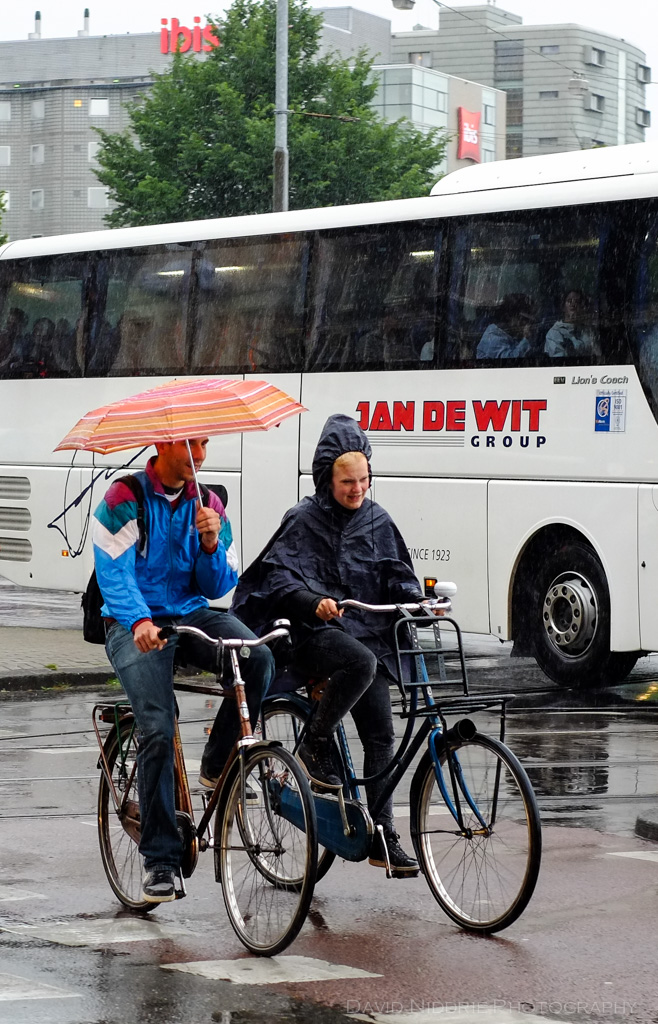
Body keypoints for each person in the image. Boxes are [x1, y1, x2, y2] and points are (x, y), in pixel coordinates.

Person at [232, 414, 432, 879]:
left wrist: (419, 600)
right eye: (347, 481)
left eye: (363, 479)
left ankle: (382, 835)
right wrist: (311, 601)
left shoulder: (378, 520)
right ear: (327, 478)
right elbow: (276, 575)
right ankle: (315, 742)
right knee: (359, 662)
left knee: (381, 736)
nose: (357, 488)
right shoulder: (303, 519)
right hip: (313, 637)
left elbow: (396, 574)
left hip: (367, 638)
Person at [92, 437, 274, 903]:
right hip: (133, 620)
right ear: (164, 444)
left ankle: (216, 765)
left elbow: (220, 583)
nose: (201, 453)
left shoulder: (209, 501)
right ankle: (160, 860)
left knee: (259, 657)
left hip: (190, 612)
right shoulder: (123, 499)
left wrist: (212, 542)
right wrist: (139, 622)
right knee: (157, 725)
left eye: (204, 443)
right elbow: (115, 574)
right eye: (191, 444)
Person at [476, 293, 535, 359]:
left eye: (530, 320)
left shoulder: (512, 335)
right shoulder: (493, 337)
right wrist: (526, 339)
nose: (527, 324)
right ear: (509, 316)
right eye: (524, 319)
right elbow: (510, 363)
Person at [544, 289, 596, 358]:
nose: (573, 304)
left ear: (582, 307)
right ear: (563, 307)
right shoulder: (554, 332)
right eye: (569, 301)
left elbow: (596, 353)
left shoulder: (588, 331)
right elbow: (560, 360)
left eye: (577, 302)